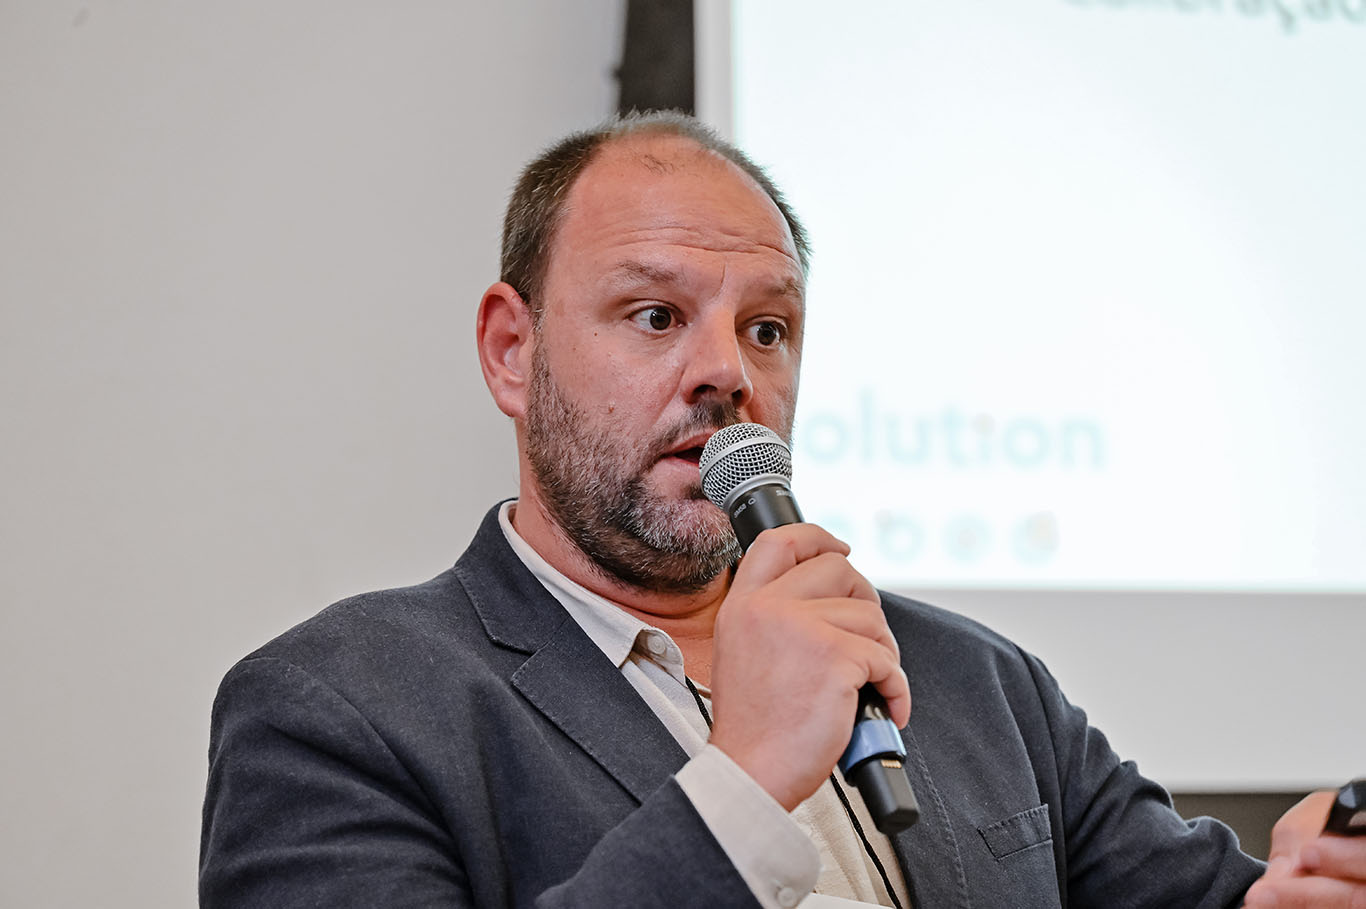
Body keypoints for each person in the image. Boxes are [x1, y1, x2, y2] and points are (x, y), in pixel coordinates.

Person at [199, 111, 1365, 907]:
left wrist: (1309, 887)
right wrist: (745, 777)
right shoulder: (339, 710)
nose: (728, 372)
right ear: (513, 351)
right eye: (656, 316)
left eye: (766, 328)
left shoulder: (976, 681)